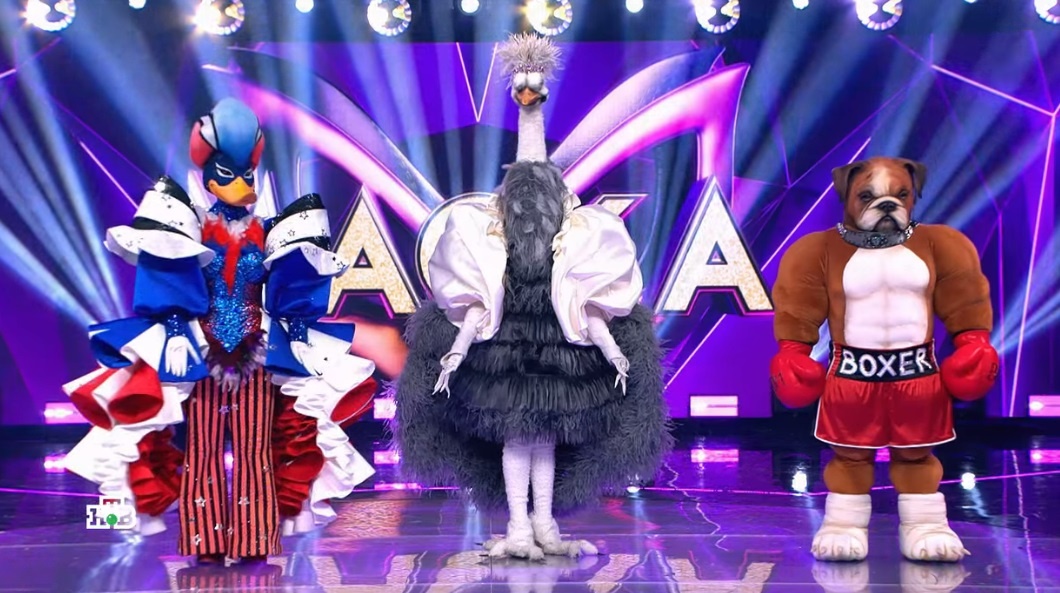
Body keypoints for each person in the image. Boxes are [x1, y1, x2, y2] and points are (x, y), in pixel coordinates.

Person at [63, 98, 378, 565]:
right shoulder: (188, 227)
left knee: (255, 448)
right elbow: (169, 279)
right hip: (203, 352)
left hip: (256, 351)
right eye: (229, 173)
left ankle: (253, 541)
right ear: (209, 176)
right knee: (204, 449)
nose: (241, 183)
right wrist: (174, 329)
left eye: (247, 173)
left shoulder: (270, 230)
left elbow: (293, 287)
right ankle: (205, 542)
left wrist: (296, 332)